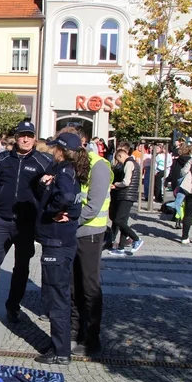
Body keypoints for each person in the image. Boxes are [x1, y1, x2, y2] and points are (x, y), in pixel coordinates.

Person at [0, 121, 52, 324]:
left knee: (21, 267)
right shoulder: (1, 159)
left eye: (29, 135)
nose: (25, 139)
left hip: (26, 224)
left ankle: (13, 306)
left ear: (34, 138)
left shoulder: (44, 162)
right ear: (15, 137)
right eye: (22, 135)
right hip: (1, 220)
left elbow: (50, 193)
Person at [34, 131, 86, 365]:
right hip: (62, 241)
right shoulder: (68, 171)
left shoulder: (65, 172)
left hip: (57, 242)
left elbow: (66, 197)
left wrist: (51, 212)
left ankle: (60, 351)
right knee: (59, 294)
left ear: (61, 151)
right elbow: (75, 203)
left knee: (56, 297)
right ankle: (59, 342)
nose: (52, 151)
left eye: (55, 148)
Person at [71, 142, 112, 357]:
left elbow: (94, 205)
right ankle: (74, 331)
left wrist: (69, 220)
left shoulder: (98, 165)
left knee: (89, 286)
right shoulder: (71, 163)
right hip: (73, 233)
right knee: (72, 286)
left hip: (92, 233)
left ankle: (92, 338)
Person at [108, 149, 143, 254]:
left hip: (126, 195)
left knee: (118, 220)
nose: (119, 162)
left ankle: (136, 239)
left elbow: (126, 182)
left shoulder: (128, 163)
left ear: (120, 156)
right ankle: (121, 248)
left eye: (118, 160)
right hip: (130, 195)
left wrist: (116, 185)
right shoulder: (135, 163)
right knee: (123, 221)